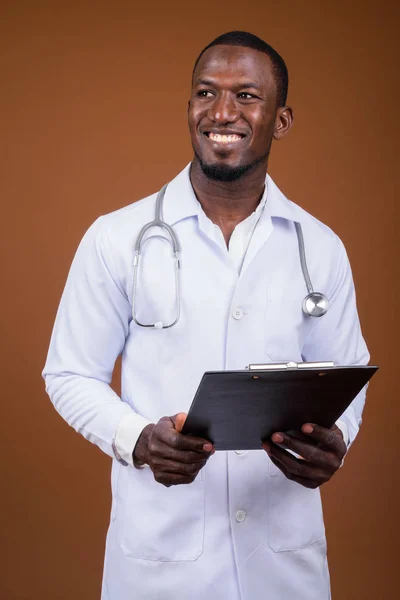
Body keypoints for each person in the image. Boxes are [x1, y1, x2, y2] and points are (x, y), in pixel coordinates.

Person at [43, 31, 369, 600]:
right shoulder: (116, 238)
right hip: (162, 562)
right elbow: (68, 374)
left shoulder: (319, 248)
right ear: (189, 106)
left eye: (246, 95)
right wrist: (137, 439)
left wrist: (335, 436)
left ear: (282, 119)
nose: (222, 112)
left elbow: (347, 373)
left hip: (282, 566)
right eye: (205, 93)